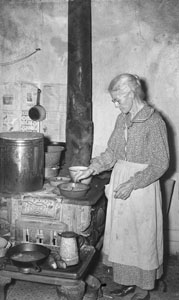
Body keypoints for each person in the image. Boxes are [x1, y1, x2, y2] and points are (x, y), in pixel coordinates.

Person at [74, 73, 169, 300]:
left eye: (118, 99)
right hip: (120, 181)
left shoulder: (154, 121)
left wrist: (133, 183)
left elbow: (161, 163)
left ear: (132, 93)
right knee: (123, 238)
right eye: (113, 101)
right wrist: (92, 168)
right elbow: (112, 153)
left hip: (142, 187)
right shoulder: (122, 119)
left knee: (141, 238)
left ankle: (144, 289)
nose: (116, 105)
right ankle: (128, 284)